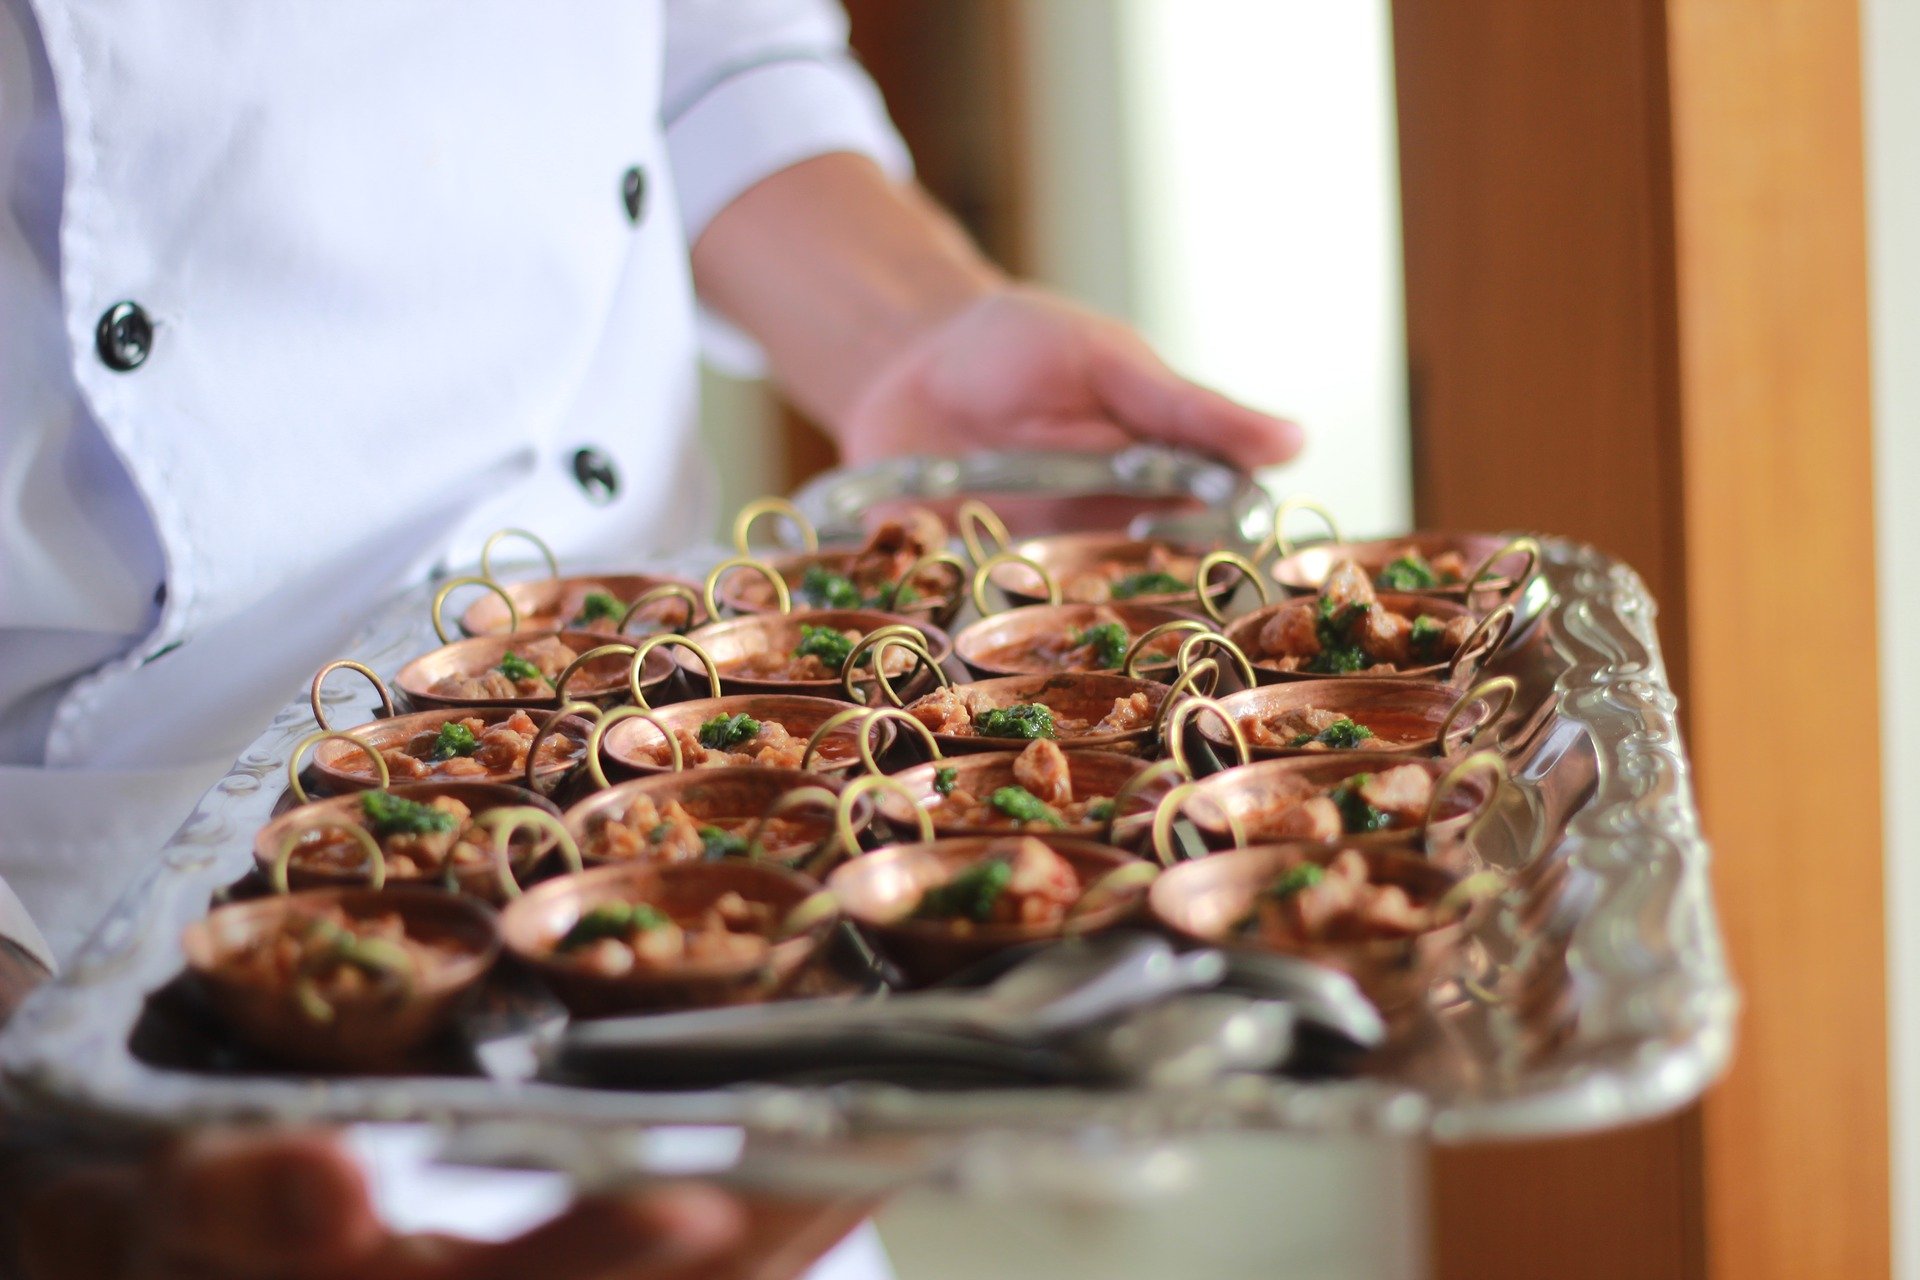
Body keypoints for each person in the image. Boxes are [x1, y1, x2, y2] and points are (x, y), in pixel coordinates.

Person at [0, 1, 1301, 1275]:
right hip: (100, 992)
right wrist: (43, 1178)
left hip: (689, 866)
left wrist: (912, 321)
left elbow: (699, 37)